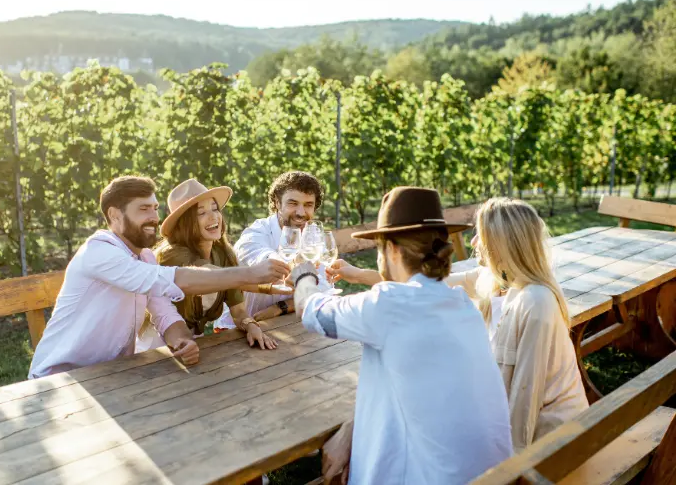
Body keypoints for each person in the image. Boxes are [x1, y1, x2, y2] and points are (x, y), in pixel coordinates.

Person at [328, 197, 589, 454]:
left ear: (503, 243)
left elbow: (525, 399)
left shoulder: (536, 301)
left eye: (481, 236)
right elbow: (421, 285)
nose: (474, 243)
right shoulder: (493, 280)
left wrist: (508, 471)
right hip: (508, 426)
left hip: (553, 444)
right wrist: (359, 274)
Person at [292, 187, 512, 484]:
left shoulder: (390, 304)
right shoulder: (462, 305)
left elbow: (311, 311)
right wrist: (351, 429)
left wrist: (303, 274)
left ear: (392, 250)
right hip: (494, 475)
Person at [28, 176, 288, 379]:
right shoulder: (99, 251)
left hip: (111, 375)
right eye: (143, 209)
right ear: (114, 215)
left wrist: (182, 340)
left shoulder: (146, 258)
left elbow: (164, 313)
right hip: (60, 376)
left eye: (154, 208)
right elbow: (172, 279)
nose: (153, 217)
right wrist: (251, 273)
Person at [153, 178, 278, 350]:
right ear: (185, 223)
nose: (213, 216)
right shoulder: (171, 254)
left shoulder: (223, 254)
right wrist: (266, 286)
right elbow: (209, 274)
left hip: (195, 342)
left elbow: (239, 312)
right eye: (201, 213)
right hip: (158, 343)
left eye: (215, 209)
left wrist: (251, 326)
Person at [214, 171, 325, 330]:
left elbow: (323, 290)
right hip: (237, 330)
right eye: (293, 203)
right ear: (277, 203)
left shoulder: (313, 236)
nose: (301, 213)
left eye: (308, 205)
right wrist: (296, 269)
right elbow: (265, 260)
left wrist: (281, 307)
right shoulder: (256, 232)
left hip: (286, 325)